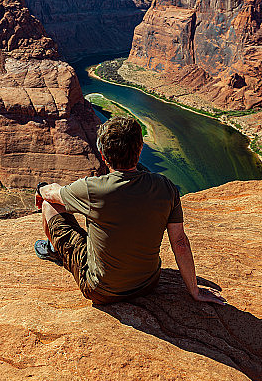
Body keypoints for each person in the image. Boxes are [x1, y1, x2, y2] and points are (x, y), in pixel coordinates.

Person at [34, 116, 226, 305]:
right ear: (140, 149)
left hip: (101, 291)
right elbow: (180, 242)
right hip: (148, 284)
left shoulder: (92, 189)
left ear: (102, 154)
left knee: (48, 205)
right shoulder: (165, 187)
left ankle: (55, 249)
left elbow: (53, 193)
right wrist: (194, 290)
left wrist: (40, 190)